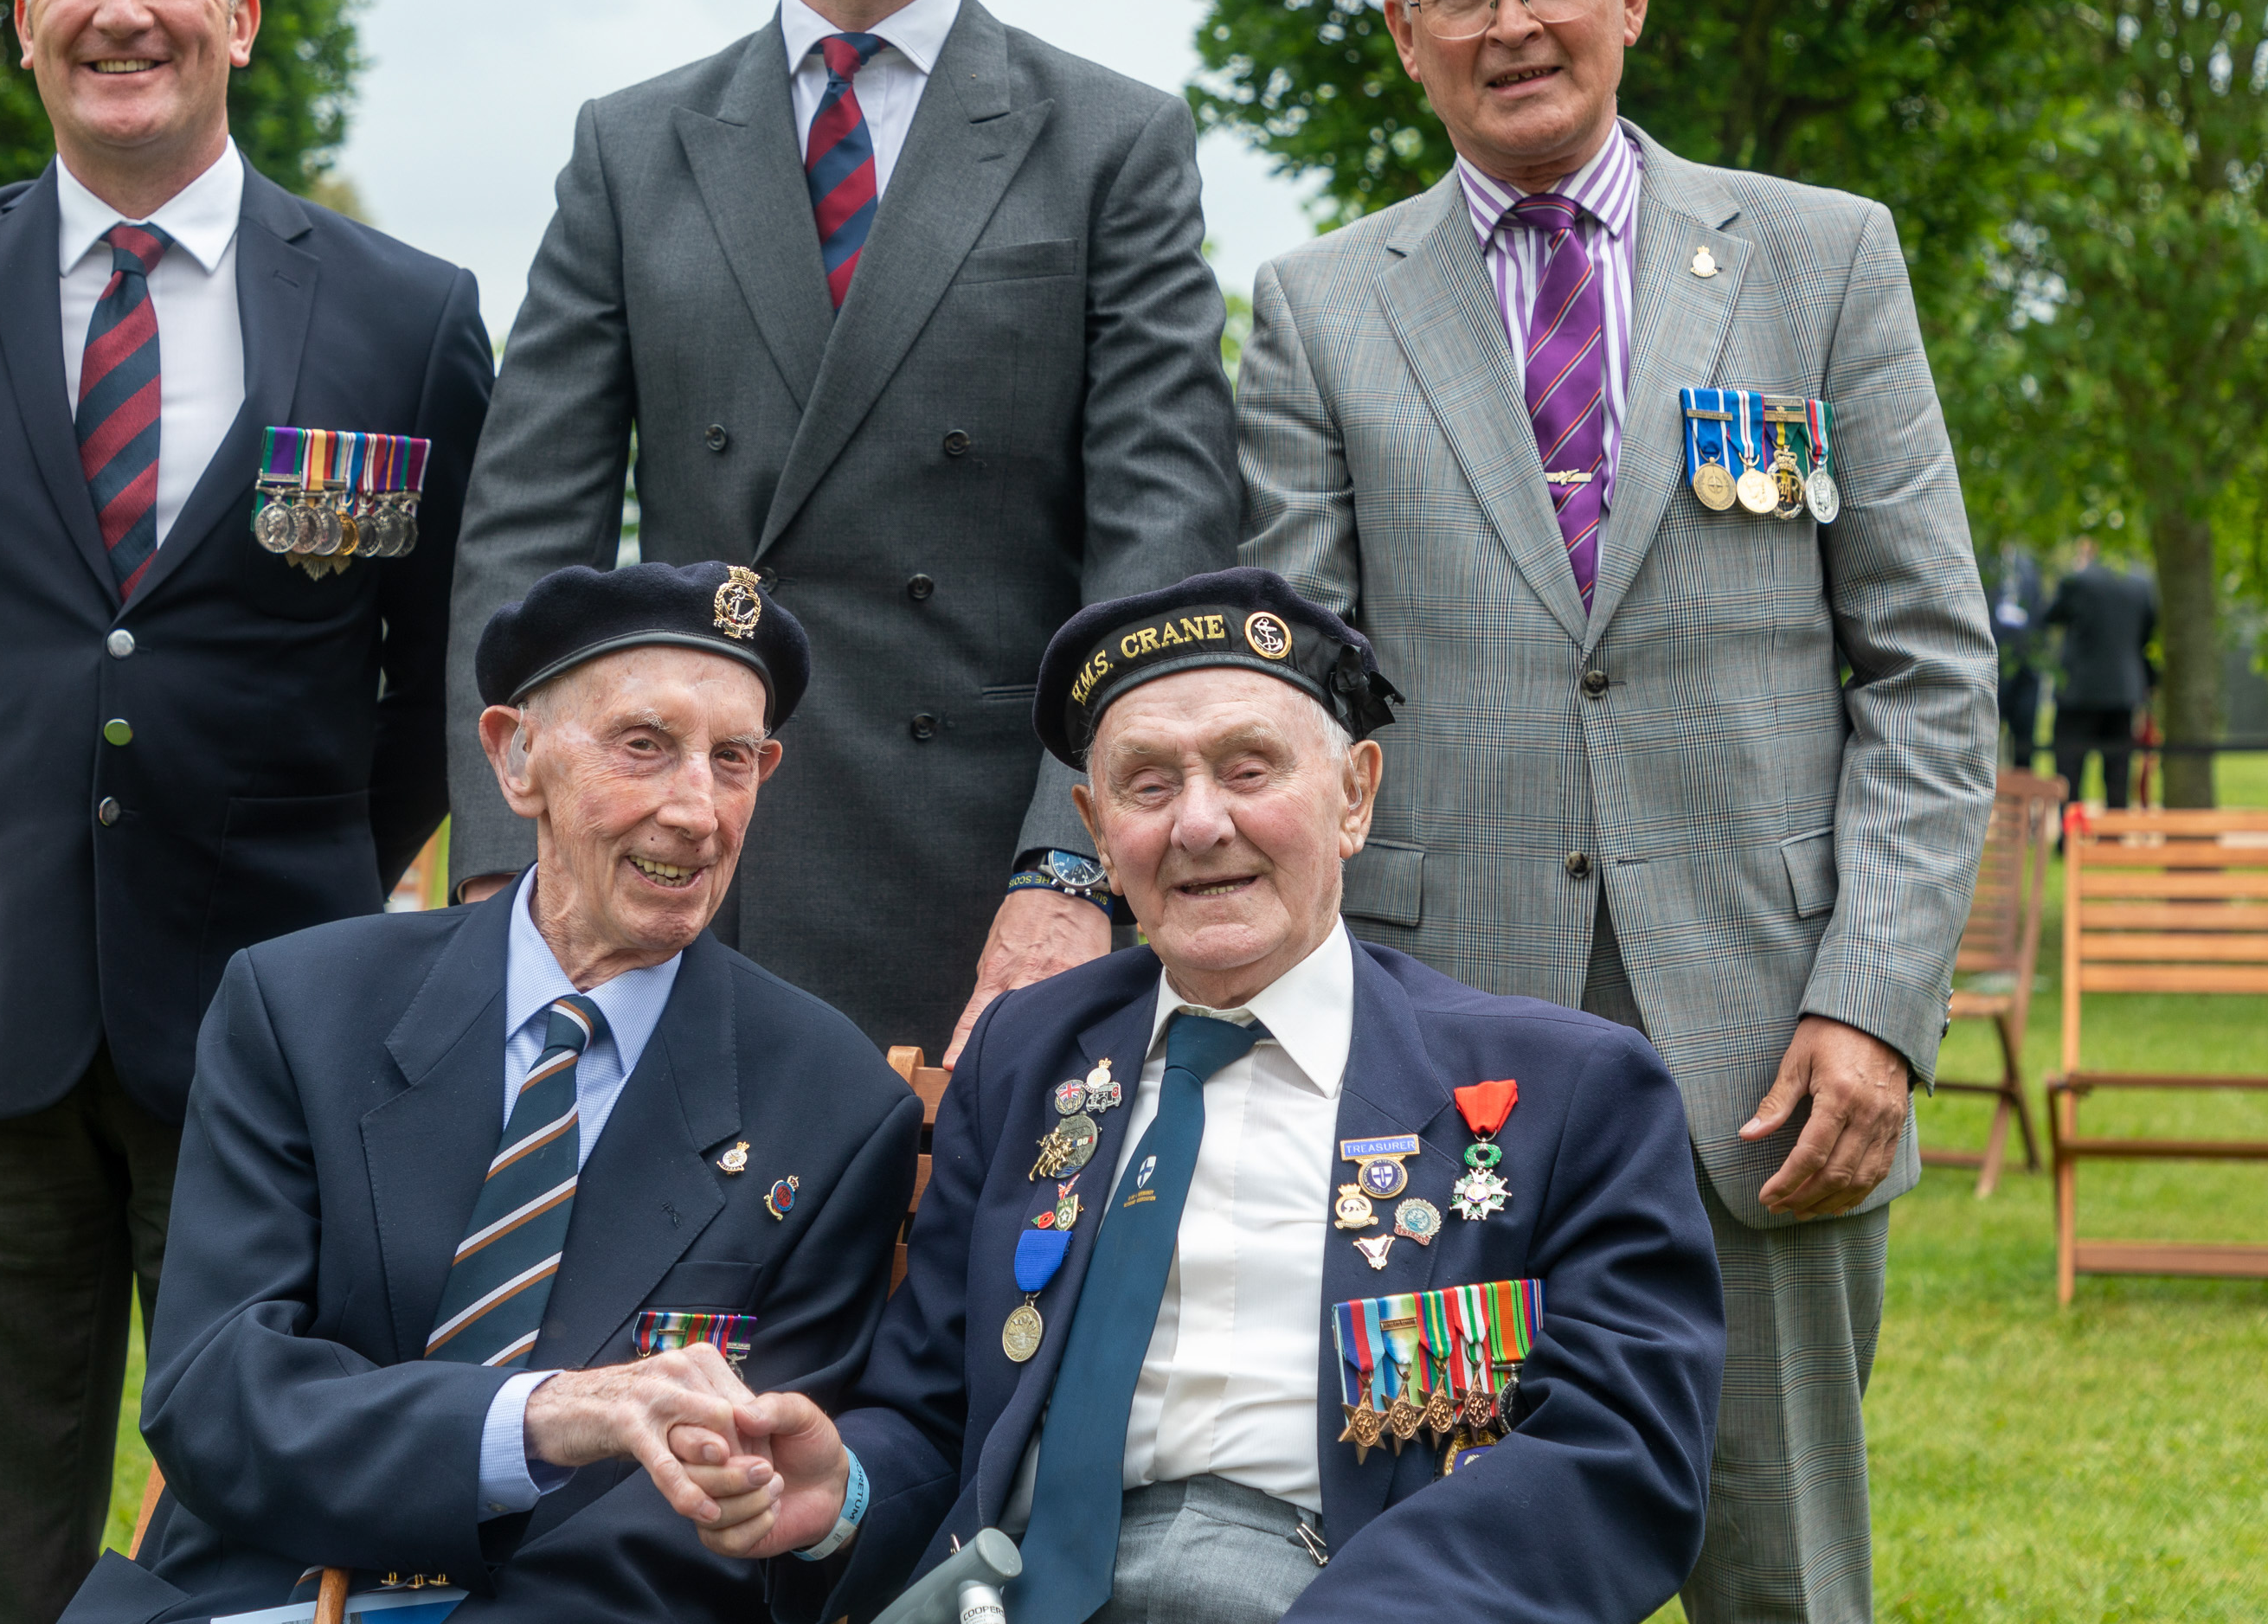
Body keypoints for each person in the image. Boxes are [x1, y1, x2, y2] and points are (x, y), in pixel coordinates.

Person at [1233, 0, 1995, 1622]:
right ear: (1405, 35)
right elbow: (1291, 699)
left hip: (1772, 1060)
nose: (1515, 24)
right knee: (1444, 1572)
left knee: (1783, 1581)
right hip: (1437, 1067)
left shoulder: (1824, 263)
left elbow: (1930, 669)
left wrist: (1872, 1009)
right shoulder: (1320, 312)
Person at [0, 0, 496, 1624]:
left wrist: (331, 874)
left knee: (276, 1516)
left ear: (239, 18)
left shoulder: (408, 323)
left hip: (287, 1024)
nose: (124, 11)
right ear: (23, 26)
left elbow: (446, 678)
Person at [444, 0, 1240, 1066]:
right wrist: (507, 869)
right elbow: (526, 540)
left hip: (1005, 907)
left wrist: (1078, 869)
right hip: (691, 877)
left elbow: (1158, 558)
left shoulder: (1114, 144)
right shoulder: (631, 152)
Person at [670, 570, 1724, 1623]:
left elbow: (1618, 1454)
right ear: (1095, 826)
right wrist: (843, 1489)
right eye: (1147, 785)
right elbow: (936, 1409)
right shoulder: (1027, 1058)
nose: (1201, 824)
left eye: (1248, 768)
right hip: (1012, 1588)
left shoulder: (1566, 1090)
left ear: (1355, 795)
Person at [61, 562, 921, 1624]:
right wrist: (541, 1417)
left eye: (733, 760)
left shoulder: (827, 1103)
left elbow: (724, 1520)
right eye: (644, 746)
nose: (698, 811)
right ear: (517, 760)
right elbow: (218, 1397)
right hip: (257, 1593)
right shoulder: (301, 1008)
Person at [2040, 537, 2156, 812]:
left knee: (2070, 766)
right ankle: (2113, 834)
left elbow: (2050, 615)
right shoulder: (2141, 583)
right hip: (2123, 691)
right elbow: (2147, 635)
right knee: (2117, 768)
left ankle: (2069, 835)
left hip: (2079, 691)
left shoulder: (2078, 580)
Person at [1989, 543, 2045, 772]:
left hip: (2025, 665)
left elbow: (2039, 610)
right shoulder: (1983, 560)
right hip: (1991, 662)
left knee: (2024, 741)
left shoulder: (2029, 565)